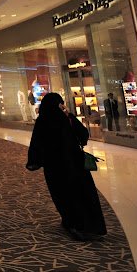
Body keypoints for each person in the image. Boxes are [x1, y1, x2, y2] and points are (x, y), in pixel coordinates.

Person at [26, 93, 107, 241]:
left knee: (62, 195)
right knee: (82, 193)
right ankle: (89, 225)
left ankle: (71, 222)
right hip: (75, 163)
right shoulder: (67, 118)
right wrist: (69, 115)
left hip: (54, 166)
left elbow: (36, 143)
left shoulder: (42, 120)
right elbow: (83, 135)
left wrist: (34, 161)